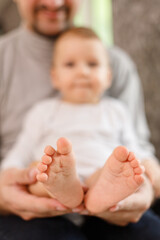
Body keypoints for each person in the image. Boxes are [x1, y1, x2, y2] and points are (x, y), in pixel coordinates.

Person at [0, 0, 159, 239]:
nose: (82, 72)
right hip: (47, 190)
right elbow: (21, 150)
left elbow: (136, 148)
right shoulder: (43, 111)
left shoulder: (115, 110)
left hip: (99, 175)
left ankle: (100, 196)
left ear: (108, 76)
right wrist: (8, 174)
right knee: (38, 171)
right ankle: (61, 186)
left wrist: (150, 172)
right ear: (54, 76)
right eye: (70, 65)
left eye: (92, 64)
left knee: (109, 170)